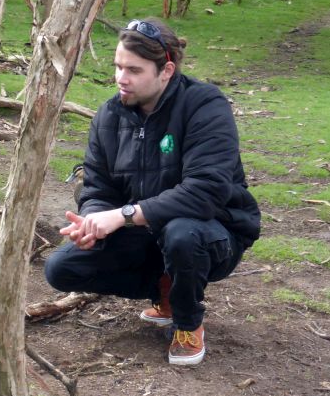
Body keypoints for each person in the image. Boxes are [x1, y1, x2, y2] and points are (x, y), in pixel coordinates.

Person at [44, 19, 260, 366]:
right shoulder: (108, 117)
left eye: (134, 69)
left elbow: (205, 191)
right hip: (147, 234)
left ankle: (188, 322)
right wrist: (92, 221)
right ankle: (165, 290)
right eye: (117, 67)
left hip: (215, 232)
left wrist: (123, 215)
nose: (121, 78)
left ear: (166, 70)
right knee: (61, 269)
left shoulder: (204, 106)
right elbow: (99, 188)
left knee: (182, 234)